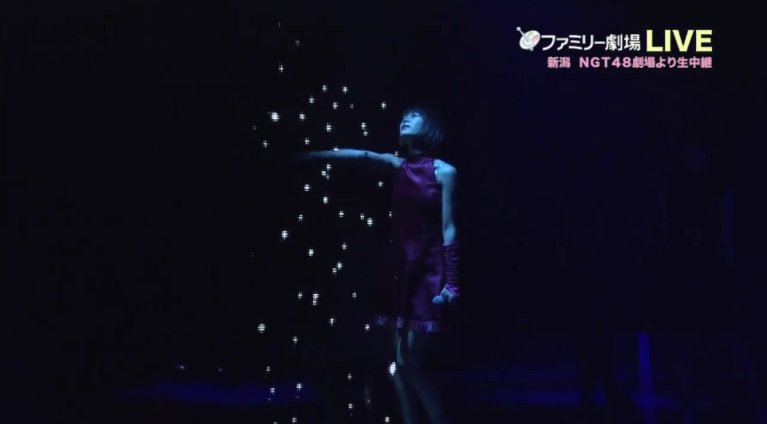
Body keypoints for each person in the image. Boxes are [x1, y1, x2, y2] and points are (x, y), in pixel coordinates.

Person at [298, 105, 459, 424]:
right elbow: (361, 156)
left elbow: (449, 227)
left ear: (431, 128)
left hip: (426, 271)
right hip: (398, 269)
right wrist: (317, 156)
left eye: (413, 116)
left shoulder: (445, 171)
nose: (405, 119)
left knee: (411, 362)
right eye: (403, 117)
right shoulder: (398, 165)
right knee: (397, 365)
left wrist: (451, 281)